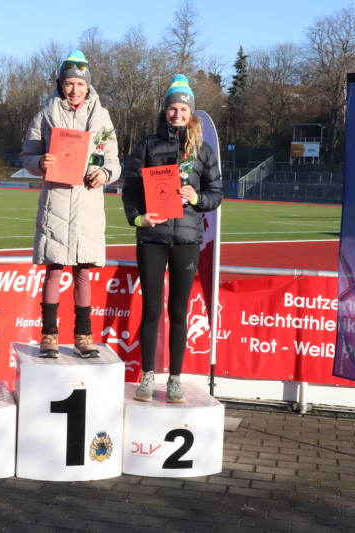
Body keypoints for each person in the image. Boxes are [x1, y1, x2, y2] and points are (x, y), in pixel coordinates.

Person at [121, 75, 223, 402]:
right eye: (172, 108)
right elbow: (131, 190)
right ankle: (148, 375)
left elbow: (216, 193)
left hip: (187, 239)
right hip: (152, 236)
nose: (177, 114)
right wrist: (139, 218)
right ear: (164, 110)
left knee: (179, 312)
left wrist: (196, 198)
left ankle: (175, 378)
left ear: (191, 112)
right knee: (151, 309)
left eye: (183, 108)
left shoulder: (202, 150)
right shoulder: (147, 145)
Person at [20, 50, 120, 359]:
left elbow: (114, 161)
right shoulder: (45, 115)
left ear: (88, 85)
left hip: (88, 204)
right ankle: (48, 336)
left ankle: (83, 336)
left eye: (79, 83)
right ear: (60, 84)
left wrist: (104, 173)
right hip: (57, 202)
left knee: (83, 273)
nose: (74, 90)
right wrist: (41, 161)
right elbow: (27, 156)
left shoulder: (102, 117)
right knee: (53, 270)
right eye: (68, 83)